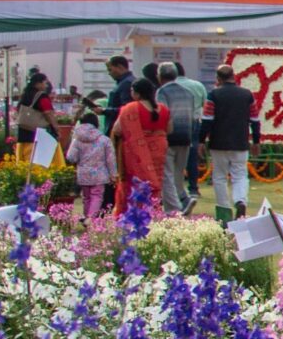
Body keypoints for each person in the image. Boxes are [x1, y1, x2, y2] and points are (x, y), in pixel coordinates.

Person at [203, 64, 257, 221]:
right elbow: (255, 120)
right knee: (240, 175)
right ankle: (240, 201)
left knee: (219, 176)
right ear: (234, 76)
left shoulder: (214, 95)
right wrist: (256, 141)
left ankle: (224, 211)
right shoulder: (247, 95)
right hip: (240, 142)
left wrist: (201, 140)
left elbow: (207, 120)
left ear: (218, 79)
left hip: (218, 142)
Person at [112, 76, 170, 216]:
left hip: (136, 153)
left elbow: (117, 130)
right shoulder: (163, 109)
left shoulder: (131, 108)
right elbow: (169, 129)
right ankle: (153, 212)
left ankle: (134, 215)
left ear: (137, 93)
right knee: (155, 181)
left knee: (136, 182)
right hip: (159, 149)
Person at [157, 60, 203, 213]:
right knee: (178, 173)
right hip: (186, 137)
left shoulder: (162, 92)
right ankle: (184, 199)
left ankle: (173, 208)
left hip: (169, 137)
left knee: (167, 175)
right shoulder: (187, 92)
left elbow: (162, 114)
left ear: (159, 76)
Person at [67, 100, 113, 219]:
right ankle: (91, 219)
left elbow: (71, 157)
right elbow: (110, 159)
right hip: (100, 174)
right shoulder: (104, 140)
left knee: (86, 197)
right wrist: (113, 174)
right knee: (97, 196)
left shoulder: (77, 140)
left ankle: (87, 216)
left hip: (83, 174)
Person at [13, 69, 55, 150]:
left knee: (25, 154)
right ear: (38, 83)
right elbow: (48, 113)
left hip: (23, 132)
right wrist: (55, 128)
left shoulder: (25, 95)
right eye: (45, 83)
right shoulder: (42, 96)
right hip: (37, 133)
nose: (46, 86)